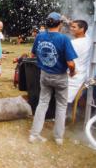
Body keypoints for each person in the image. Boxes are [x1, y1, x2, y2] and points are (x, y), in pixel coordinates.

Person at [29, 12, 77, 145]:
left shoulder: (40, 36)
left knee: (42, 103)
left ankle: (34, 135)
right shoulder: (64, 39)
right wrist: (72, 72)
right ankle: (58, 138)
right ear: (60, 24)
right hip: (60, 77)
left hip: (44, 75)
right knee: (61, 106)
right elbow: (71, 63)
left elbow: (32, 54)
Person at [68, 20, 91, 103]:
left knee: (64, 102)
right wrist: (69, 21)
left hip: (72, 75)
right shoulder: (89, 40)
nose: (71, 28)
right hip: (83, 75)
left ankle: (63, 116)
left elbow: (68, 62)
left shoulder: (72, 43)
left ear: (82, 29)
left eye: (74, 27)